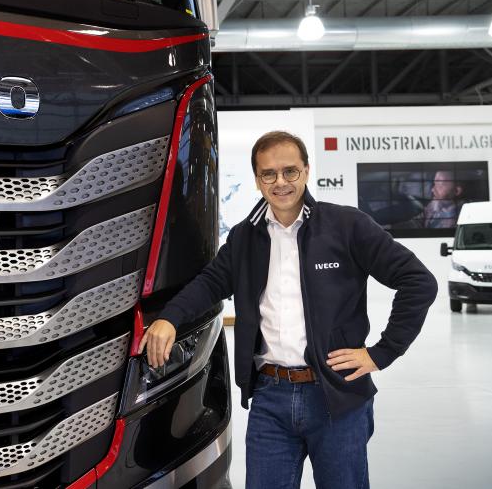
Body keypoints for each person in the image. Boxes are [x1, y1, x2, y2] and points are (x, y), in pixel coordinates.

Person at [139, 131, 437, 489]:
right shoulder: (244, 237)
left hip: (336, 396)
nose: (280, 182)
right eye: (269, 174)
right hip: (270, 397)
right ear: (257, 179)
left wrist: (382, 352)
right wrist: (169, 318)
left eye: (290, 171)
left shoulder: (346, 226)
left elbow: (419, 282)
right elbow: (210, 283)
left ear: (306, 171)